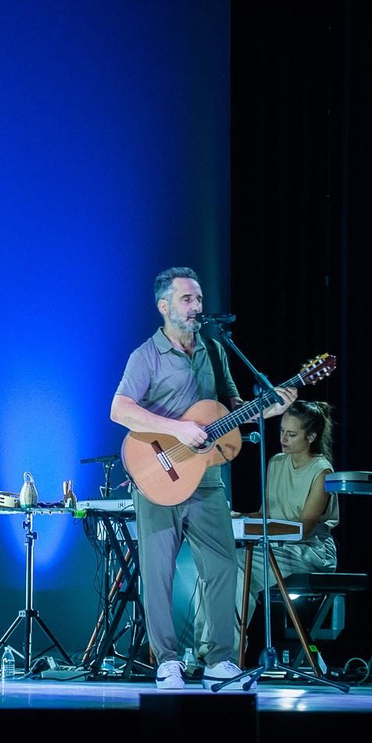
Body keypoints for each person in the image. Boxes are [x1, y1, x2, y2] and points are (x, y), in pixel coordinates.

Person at [110, 266, 294, 689]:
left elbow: (232, 408)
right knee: (158, 573)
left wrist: (270, 408)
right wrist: (178, 429)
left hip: (207, 477)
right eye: (187, 299)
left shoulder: (214, 349)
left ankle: (219, 660)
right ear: (164, 307)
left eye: (199, 299)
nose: (197, 306)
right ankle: (167, 661)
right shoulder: (146, 355)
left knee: (223, 568)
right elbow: (119, 409)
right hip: (158, 473)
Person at [225, 399, 340, 640]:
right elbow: (266, 515)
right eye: (281, 432)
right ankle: (205, 648)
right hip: (275, 546)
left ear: (310, 437)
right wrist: (239, 517)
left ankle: (229, 649)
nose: (283, 439)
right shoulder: (276, 462)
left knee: (238, 565)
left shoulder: (321, 471)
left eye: (292, 434)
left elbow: (303, 529)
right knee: (220, 565)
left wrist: (257, 527)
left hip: (310, 550)